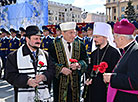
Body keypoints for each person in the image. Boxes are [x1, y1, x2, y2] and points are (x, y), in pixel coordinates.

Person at [5, 25, 55, 102]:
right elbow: (9, 76)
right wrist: (27, 81)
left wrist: (44, 76)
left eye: (39, 38)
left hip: (43, 97)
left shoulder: (45, 55)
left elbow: (52, 70)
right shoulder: (14, 56)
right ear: (27, 39)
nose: (39, 41)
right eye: (35, 38)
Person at [49, 22, 88, 102]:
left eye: (74, 32)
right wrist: (60, 69)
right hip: (59, 84)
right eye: (70, 33)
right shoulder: (54, 45)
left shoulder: (80, 44)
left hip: (75, 83)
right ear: (63, 33)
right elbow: (49, 62)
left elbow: (86, 61)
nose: (73, 35)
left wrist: (79, 64)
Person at [84, 22, 120, 102]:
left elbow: (116, 73)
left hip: (105, 90)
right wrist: (88, 77)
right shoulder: (94, 53)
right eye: (94, 37)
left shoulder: (114, 53)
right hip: (92, 89)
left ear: (105, 37)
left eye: (97, 37)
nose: (94, 39)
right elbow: (89, 68)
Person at [103, 19, 138, 102]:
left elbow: (134, 81)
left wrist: (112, 78)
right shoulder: (129, 49)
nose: (114, 41)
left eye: (114, 38)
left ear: (122, 38)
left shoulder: (135, 51)